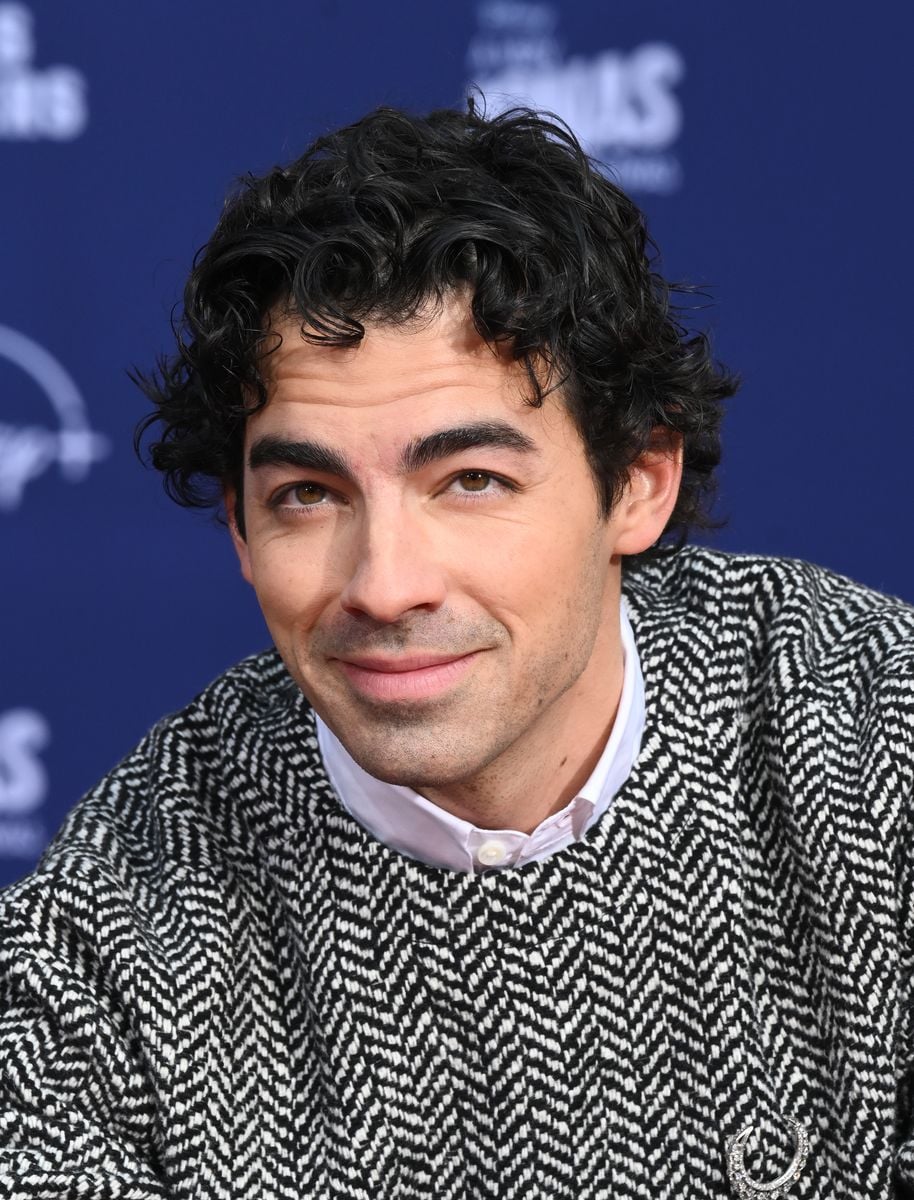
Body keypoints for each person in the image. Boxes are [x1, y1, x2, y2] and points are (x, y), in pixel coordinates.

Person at [1, 103, 912, 1200]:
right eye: (306, 494)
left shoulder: (875, 735)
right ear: (238, 532)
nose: (385, 585)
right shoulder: (98, 945)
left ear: (637, 484)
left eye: (469, 481)